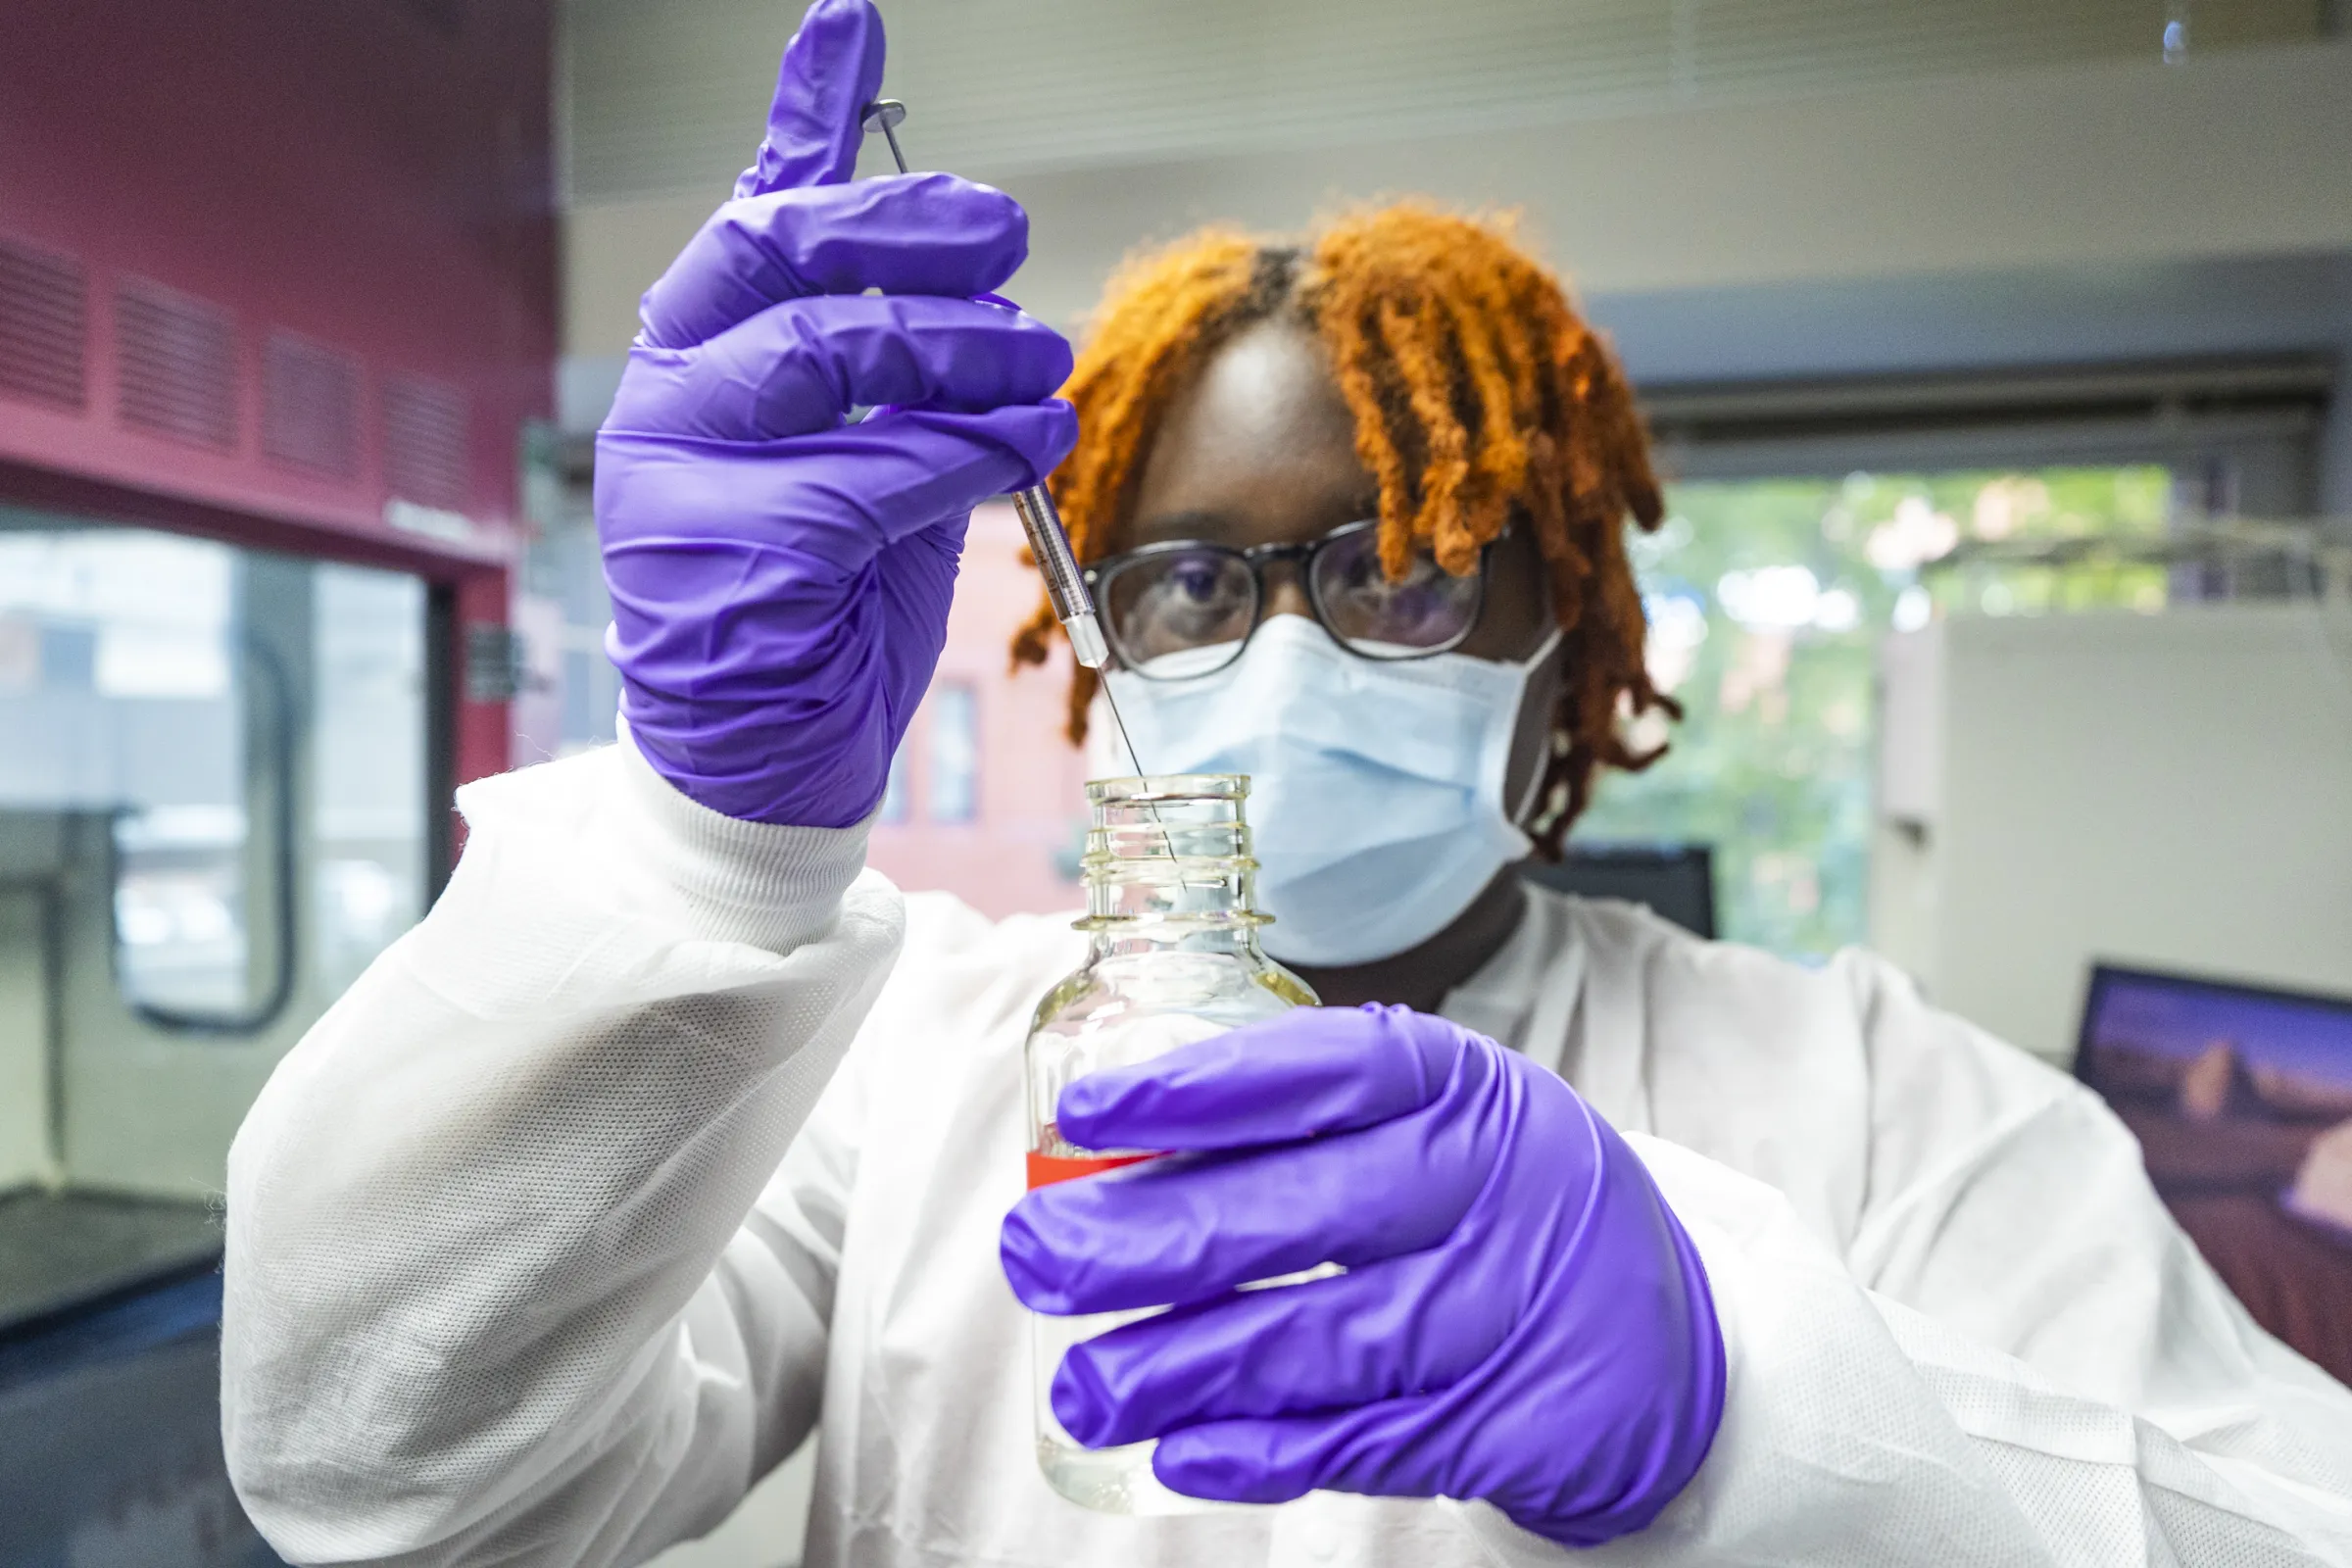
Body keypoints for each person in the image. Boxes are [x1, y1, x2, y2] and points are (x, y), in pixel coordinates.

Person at [219, 2, 2352, 1563]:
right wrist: (706, 840)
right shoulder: (925, 1060)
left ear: (1570, 633)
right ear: (1090, 634)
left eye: (1394, 569)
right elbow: (385, 1470)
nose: (1287, 643)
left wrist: (1754, 1397)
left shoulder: (1877, 1097)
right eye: (1188, 583)